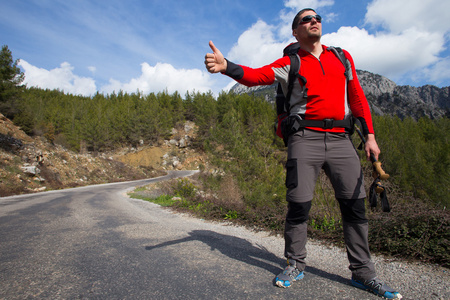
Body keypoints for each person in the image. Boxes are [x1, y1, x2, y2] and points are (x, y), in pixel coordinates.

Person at [204, 8, 402, 299]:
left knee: (355, 206)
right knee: (299, 205)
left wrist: (370, 136)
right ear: (295, 32)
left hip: (341, 139)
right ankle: (295, 263)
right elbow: (257, 76)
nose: (314, 21)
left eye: (317, 18)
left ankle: (363, 273)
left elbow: (357, 97)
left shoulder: (342, 57)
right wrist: (227, 66)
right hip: (304, 138)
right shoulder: (290, 62)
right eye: (306, 20)